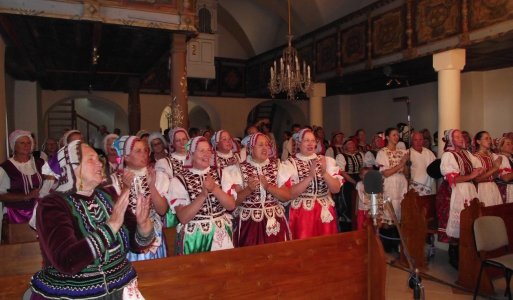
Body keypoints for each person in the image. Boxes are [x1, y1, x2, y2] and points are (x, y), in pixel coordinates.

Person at [30, 140, 153, 299]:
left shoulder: (107, 195)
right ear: (72, 167)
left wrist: (143, 227)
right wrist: (111, 225)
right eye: (90, 159)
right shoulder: (52, 205)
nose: (100, 164)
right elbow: (67, 261)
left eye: (98, 159)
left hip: (120, 288)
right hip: (75, 293)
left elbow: (136, 245)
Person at [166, 137, 236, 255]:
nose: (207, 154)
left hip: (222, 232)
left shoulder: (221, 173)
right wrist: (202, 196)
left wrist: (214, 188)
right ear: (191, 154)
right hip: (195, 238)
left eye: (208, 150)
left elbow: (231, 205)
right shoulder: (178, 180)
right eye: (201, 151)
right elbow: (183, 217)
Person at [222, 133, 292, 247]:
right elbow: (233, 203)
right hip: (249, 225)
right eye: (260, 145)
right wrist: (248, 189)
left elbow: (287, 195)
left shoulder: (277, 166)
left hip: (275, 221)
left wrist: (269, 187)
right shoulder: (238, 169)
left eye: (267, 145)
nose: (265, 148)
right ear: (251, 149)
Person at [110, 135, 168, 261]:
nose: (144, 154)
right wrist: (126, 187)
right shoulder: (115, 180)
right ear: (126, 157)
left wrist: (151, 186)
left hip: (154, 235)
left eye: (145, 150)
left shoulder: (157, 175)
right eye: (138, 151)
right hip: (129, 238)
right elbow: (115, 213)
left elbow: (162, 210)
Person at [279, 128, 343, 239]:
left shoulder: (326, 160)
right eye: (306, 140)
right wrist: (309, 177)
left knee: (327, 247)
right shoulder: (290, 164)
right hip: (301, 214)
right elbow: (289, 194)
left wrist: (324, 173)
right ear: (298, 143)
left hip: (325, 211)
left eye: (313, 140)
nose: (310, 144)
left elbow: (336, 189)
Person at [436, 129, 482, 269]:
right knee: (457, 222)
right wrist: (471, 176)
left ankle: (466, 254)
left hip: (468, 189)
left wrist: (476, 172)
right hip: (453, 191)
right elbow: (453, 178)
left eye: (461, 136)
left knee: (468, 220)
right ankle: (454, 255)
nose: (461, 138)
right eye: (457, 137)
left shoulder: (466, 153)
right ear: (450, 140)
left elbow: (479, 167)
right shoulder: (448, 156)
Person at [0, 130, 44, 226]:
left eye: (28, 143)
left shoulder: (39, 163)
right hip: (16, 214)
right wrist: (26, 196)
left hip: (38, 211)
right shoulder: (6, 167)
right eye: (22, 143)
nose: (26, 146)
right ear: (14, 145)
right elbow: (1, 195)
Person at [155, 127, 190, 228]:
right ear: (172, 143)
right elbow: (162, 191)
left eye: (184, 139)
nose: (182, 143)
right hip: (174, 212)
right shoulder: (165, 163)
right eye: (178, 140)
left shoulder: (196, 159)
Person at [335, 139, 364, 230]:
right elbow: (342, 172)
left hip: (359, 178)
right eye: (349, 144)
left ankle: (358, 219)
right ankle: (347, 223)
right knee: (348, 201)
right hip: (347, 180)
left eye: (353, 143)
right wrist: (353, 182)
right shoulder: (341, 156)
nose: (352, 145)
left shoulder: (360, 154)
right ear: (345, 146)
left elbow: (364, 168)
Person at [473, 131, 503, 206]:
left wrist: (497, 168)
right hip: (483, 188)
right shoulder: (475, 157)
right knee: (486, 213)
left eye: (490, 138)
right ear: (478, 141)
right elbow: (477, 179)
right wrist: (495, 168)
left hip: (493, 186)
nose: (489, 140)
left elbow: (494, 176)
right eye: (486, 138)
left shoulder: (490, 156)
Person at [409, 131, 437, 196]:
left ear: (423, 141)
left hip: (430, 187)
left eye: (420, 139)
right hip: (414, 189)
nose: (418, 142)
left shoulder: (429, 153)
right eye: (415, 140)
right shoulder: (408, 153)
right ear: (411, 141)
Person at [497, 137, 513, 203]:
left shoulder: (511, 159)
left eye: (512, 143)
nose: (512, 146)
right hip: (507, 191)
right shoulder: (501, 159)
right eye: (508, 144)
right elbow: (505, 178)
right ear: (501, 147)